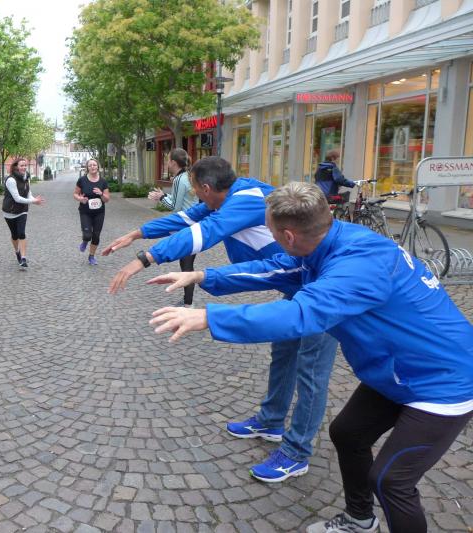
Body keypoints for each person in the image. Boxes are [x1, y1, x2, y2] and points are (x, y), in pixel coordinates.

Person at [148, 181, 473, 533]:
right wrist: (202, 275)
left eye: (269, 230)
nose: (270, 236)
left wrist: (209, 318)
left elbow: (301, 314)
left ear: (288, 236)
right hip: (398, 369)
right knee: (348, 433)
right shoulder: (331, 241)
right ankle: (360, 520)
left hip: (444, 379)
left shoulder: (357, 265)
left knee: (391, 481)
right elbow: (278, 268)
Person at [104, 157, 339, 482]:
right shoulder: (228, 196)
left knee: (311, 370)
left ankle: (296, 453)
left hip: (322, 288)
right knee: (284, 351)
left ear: (206, 187)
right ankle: (271, 421)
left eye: (196, 191)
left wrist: (143, 260)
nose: (197, 197)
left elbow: (204, 233)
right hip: (296, 283)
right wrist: (136, 234)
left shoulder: (244, 201)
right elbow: (185, 219)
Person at [147, 148, 198, 306]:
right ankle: (187, 300)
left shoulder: (178, 180)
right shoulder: (188, 176)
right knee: (187, 264)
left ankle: (188, 304)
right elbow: (181, 201)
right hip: (195, 226)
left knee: (186, 266)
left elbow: (175, 207)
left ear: (174, 163)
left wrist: (161, 197)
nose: (167, 163)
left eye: (168, 160)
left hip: (185, 227)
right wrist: (163, 196)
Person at [2, 157, 44, 268]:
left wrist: (34, 200)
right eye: (21, 165)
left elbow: (28, 194)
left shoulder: (26, 178)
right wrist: (33, 201)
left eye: (25, 165)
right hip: (10, 211)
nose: (24, 167)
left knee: (21, 233)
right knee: (14, 235)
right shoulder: (11, 180)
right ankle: (17, 252)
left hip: (22, 211)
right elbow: (17, 198)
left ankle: (23, 258)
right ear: (16, 167)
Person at [73, 158, 110, 266]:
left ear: (97, 167)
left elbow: (107, 199)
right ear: (87, 168)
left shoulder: (103, 182)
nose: (92, 167)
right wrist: (80, 199)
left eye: (94, 165)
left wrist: (101, 194)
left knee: (96, 235)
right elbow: (75, 194)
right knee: (87, 235)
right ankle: (85, 240)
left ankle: (91, 256)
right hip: (85, 211)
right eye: (90, 165)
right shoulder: (82, 180)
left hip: (99, 212)